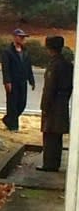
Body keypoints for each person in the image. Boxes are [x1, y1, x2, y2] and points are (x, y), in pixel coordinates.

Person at [38, 35, 73, 172]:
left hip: (53, 103)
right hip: (62, 102)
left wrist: (44, 105)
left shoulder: (54, 64)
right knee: (57, 135)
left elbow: (50, 87)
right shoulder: (67, 64)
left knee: (49, 133)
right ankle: (55, 162)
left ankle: (49, 164)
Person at [0, 28, 35, 131]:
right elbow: (5, 68)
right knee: (12, 104)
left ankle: (8, 119)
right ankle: (13, 126)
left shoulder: (25, 51)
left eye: (23, 37)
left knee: (22, 103)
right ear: (15, 37)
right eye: (21, 37)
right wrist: (7, 81)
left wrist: (31, 80)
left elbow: (28, 66)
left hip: (22, 81)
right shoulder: (7, 52)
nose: (22, 39)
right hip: (13, 81)